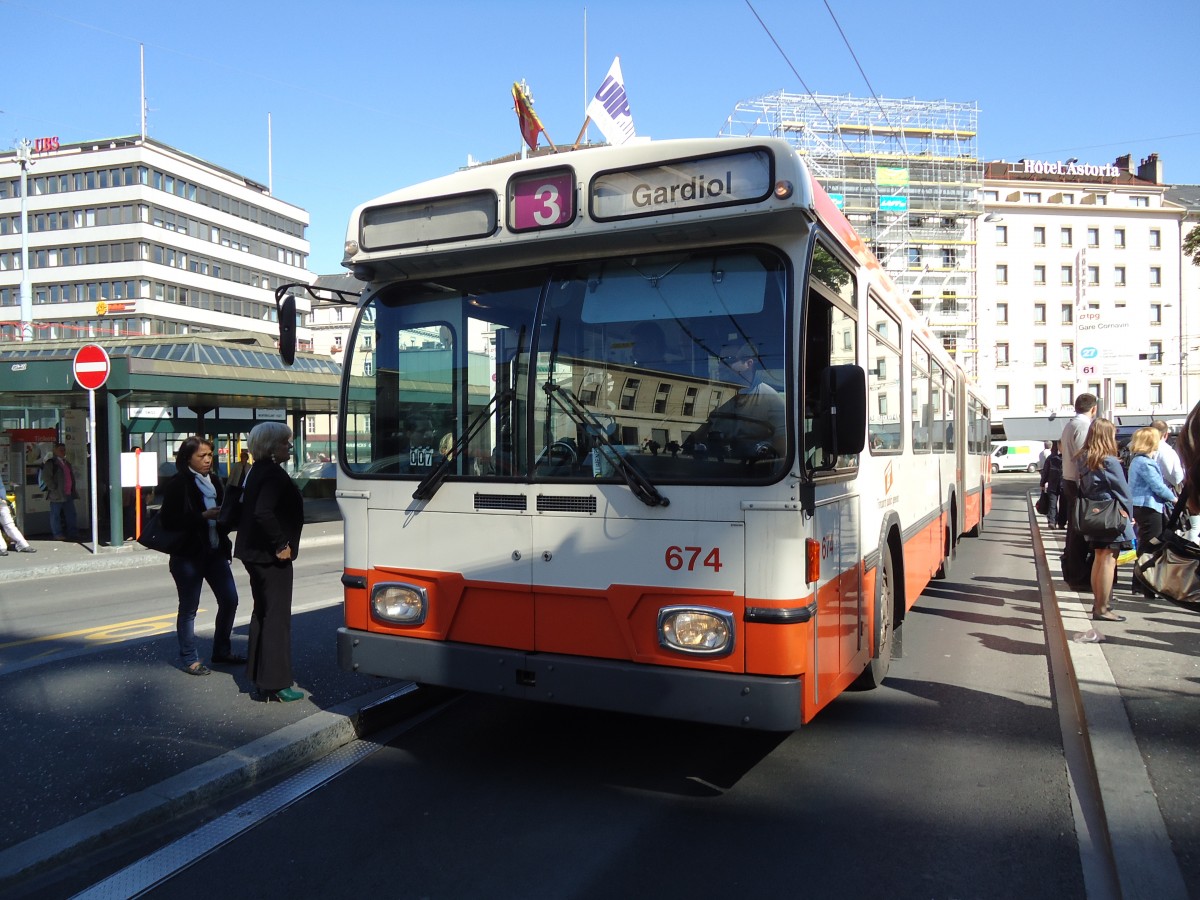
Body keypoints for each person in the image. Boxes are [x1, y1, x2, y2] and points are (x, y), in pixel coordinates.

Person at [159, 436, 243, 676]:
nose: (207, 460)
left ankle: (222, 650)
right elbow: (169, 521)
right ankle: (189, 658)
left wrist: (227, 516)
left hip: (215, 551)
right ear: (187, 458)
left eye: (210, 455)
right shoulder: (179, 483)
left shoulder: (214, 481)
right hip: (188, 555)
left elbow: (223, 513)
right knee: (189, 608)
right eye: (201, 456)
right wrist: (203, 516)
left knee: (230, 600)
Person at [234, 422, 305, 703]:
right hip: (270, 555)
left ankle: (260, 678)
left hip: (253, 554)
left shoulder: (256, 471)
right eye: (285, 443)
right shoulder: (274, 474)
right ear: (273, 447)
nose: (289, 447)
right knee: (277, 618)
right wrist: (282, 544)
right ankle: (277, 684)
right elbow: (264, 512)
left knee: (262, 613)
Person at [684, 341, 786, 462]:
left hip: (756, 474)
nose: (720, 365)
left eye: (728, 359)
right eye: (719, 359)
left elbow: (782, 455)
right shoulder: (710, 395)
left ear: (749, 363)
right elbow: (698, 434)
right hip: (714, 469)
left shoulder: (771, 399)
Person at [1078, 419, 1135, 623]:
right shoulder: (1109, 461)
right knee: (1109, 561)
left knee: (1099, 558)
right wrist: (1130, 514)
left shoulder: (1084, 458)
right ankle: (1102, 608)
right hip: (1111, 514)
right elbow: (1123, 491)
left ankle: (1098, 604)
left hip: (1094, 514)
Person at [1058, 393, 1099, 583]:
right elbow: (1084, 458)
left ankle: (1073, 571)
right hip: (1078, 482)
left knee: (1075, 528)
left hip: (1069, 478)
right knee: (1079, 530)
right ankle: (1077, 574)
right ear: (1094, 409)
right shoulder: (1083, 426)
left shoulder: (1070, 424)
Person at [1127, 426, 1176, 552]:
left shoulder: (1137, 460)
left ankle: (1143, 568)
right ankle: (1145, 569)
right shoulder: (1145, 463)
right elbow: (1158, 486)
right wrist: (1174, 498)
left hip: (1141, 506)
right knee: (1151, 542)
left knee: (1146, 540)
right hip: (1148, 507)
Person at [42, 443, 80, 541]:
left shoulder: (66, 463)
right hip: (57, 494)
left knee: (71, 514)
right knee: (55, 515)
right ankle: (57, 534)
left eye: (64, 450)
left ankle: (73, 533)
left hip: (68, 493)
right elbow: (46, 477)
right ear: (55, 451)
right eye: (60, 450)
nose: (63, 452)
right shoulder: (51, 463)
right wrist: (53, 488)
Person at [0, 470, 36, 555]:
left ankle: (2, 548)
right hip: (2, 501)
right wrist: (3, 498)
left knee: (9, 524)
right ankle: (23, 544)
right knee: (9, 525)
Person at [1152, 420, 1183, 493]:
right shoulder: (1166, 451)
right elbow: (1176, 477)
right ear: (1166, 434)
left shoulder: (1139, 448)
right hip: (1163, 493)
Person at [1040, 442, 1063, 530]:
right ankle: (1052, 522)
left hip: (1064, 484)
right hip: (1053, 484)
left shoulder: (1068, 457)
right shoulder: (1051, 458)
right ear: (1058, 446)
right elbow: (1045, 471)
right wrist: (1042, 483)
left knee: (1063, 504)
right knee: (1052, 504)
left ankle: (1061, 522)